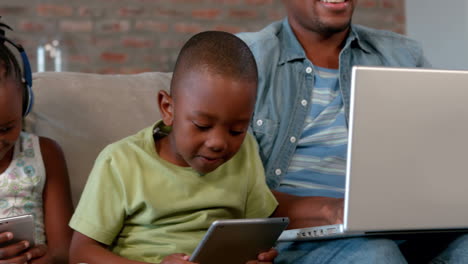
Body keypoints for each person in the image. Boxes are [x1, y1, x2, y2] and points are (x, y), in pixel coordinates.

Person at [237, 0, 468, 263]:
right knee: (377, 254)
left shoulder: (403, 55)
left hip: (403, 230)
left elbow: (445, 156)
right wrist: (333, 210)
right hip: (295, 242)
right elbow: (233, 193)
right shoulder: (245, 59)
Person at [68, 31, 279, 264]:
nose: (218, 143)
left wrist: (260, 255)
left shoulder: (246, 150)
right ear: (168, 108)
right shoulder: (121, 161)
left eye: (237, 130)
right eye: (202, 125)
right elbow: (80, 251)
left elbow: (257, 233)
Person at [0, 20, 73, 263]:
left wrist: (50, 258)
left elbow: (64, 248)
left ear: (24, 103)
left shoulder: (45, 153)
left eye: (6, 128)